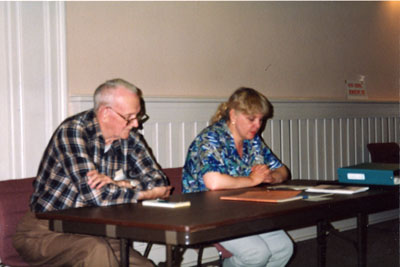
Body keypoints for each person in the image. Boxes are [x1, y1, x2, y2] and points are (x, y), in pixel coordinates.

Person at [13, 78, 172, 267]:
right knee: (96, 252)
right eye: (130, 117)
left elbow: (159, 181)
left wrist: (122, 184)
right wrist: (144, 193)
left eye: (138, 117)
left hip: (95, 231)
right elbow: (96, 196)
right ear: (106, 113)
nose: (136, 124)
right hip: (45, 232)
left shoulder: (129, 139)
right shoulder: (73, 132)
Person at [182, 87, 293, 267]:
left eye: (260, 119)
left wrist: (270, 177)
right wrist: (252, 180)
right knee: (256, 254)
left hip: (244, 210)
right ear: (233, 115)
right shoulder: (210, 138)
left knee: (284, 248)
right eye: (251, 119)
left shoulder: (252, 140)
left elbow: (282, 170)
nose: (258, 125)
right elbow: (214, 182)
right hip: (208, 213)